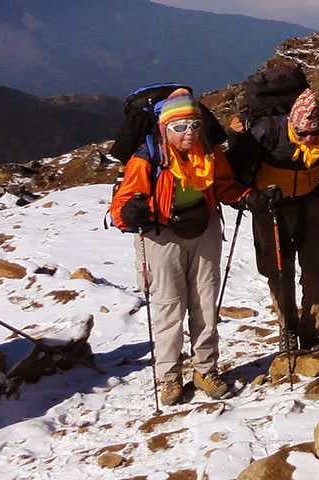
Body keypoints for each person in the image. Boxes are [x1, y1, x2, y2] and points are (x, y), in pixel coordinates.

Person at [111, 88, 252, 405]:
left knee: (205, 303)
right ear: (164, 128)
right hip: (161, 236)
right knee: (169, 308)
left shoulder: (210, 154)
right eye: (180, 127)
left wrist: (249, 198)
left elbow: (226, 186)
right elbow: (120, 207)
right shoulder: (147, 159)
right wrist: (129, 213)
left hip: (204, 230)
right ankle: (170, 377)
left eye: (194, 125)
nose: (189, 133)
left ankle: (205, 370)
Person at [227, 87, 319, 351]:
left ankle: (310, 333)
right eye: (302, 134)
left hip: (312, 201)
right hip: (271, 207)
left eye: (313, 134)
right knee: (279, 271)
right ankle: (288, 328)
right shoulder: (267, 132)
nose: (308, 139)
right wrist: (246, 196)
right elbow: (239, 164)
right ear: (292, 123)